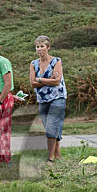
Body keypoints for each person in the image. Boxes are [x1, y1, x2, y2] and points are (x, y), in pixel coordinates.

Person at [29, 35, 67, 163]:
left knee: (51, 127)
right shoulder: (33, 64)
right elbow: (32, 83)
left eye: (42, 46)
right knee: (51, 128)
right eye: (37, 47)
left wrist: (40, 79)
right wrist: (47, 80)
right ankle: (58, 155)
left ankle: (50, 159)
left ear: (48, 47)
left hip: (58, 97)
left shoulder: (56, 61)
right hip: (42, 99)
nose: (39, 49)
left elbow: (56, 82)